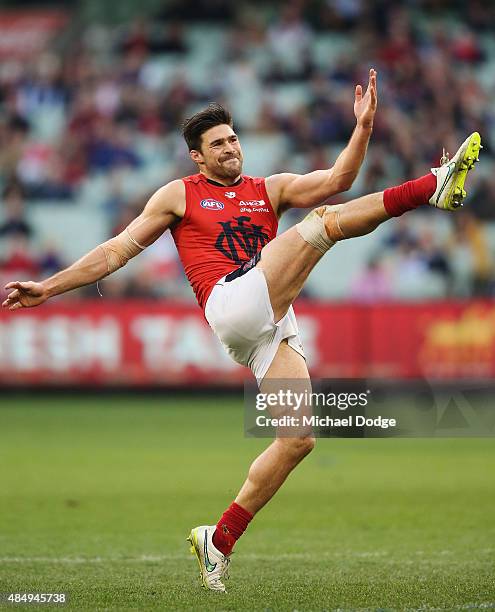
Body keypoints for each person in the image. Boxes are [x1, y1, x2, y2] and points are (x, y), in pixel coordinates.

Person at [2, 69, 482, 592]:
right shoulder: (178, 195)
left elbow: (340, 178)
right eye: (217, 144)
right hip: (230, 303)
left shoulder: (268, 188)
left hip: (270, 321)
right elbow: (117, 250)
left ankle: (219, 539)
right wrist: (50, 287)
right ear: (198, 156)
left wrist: (363, 127)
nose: (230, 148)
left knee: (297, 439)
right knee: (320, 225)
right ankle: (434, 186)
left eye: (233, 139)